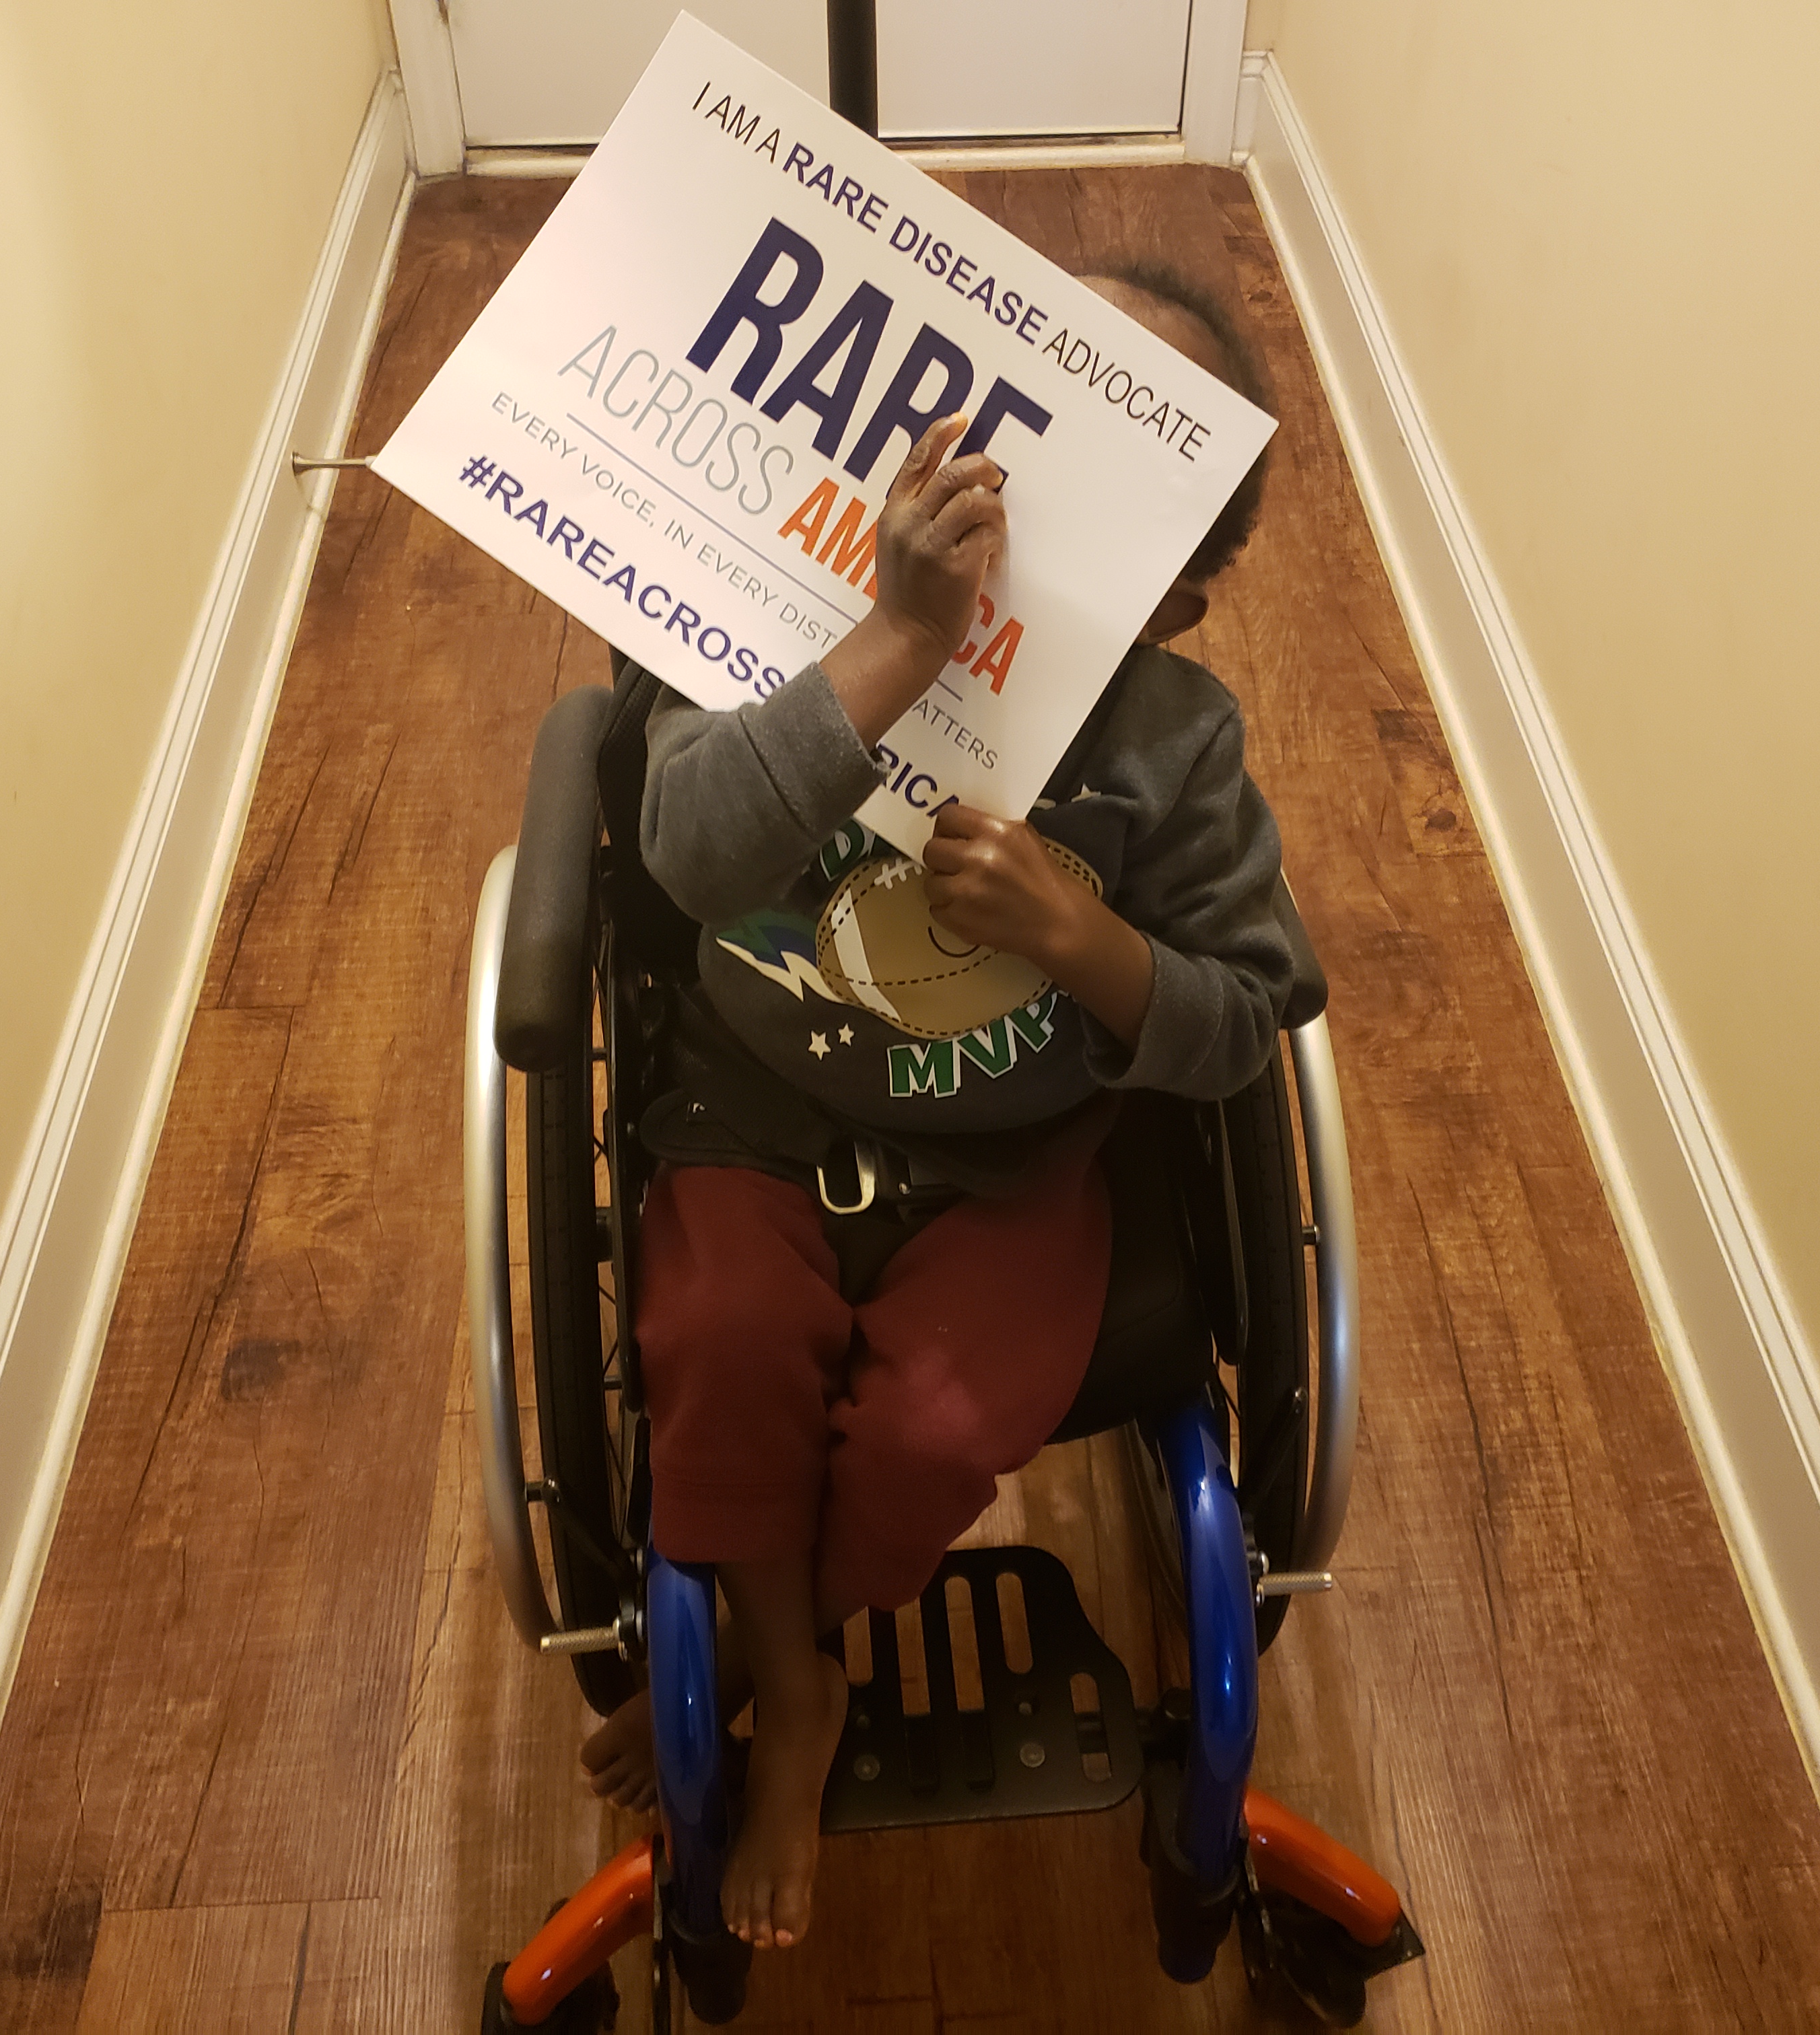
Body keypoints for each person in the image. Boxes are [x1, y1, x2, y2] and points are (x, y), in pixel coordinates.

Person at [579, 265, 1291, 1952]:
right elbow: (685, 856)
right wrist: (895, 645)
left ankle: (762, 1656)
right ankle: (797, 1688)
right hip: (755, 1104)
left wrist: (1088, 944)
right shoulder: (767, 583)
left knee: (934, 1431)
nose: (1010, 505)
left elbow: (1249, 1019)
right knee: (718, 1349)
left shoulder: (1172, 743)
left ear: (1176, 605)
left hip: (1016, 1160)